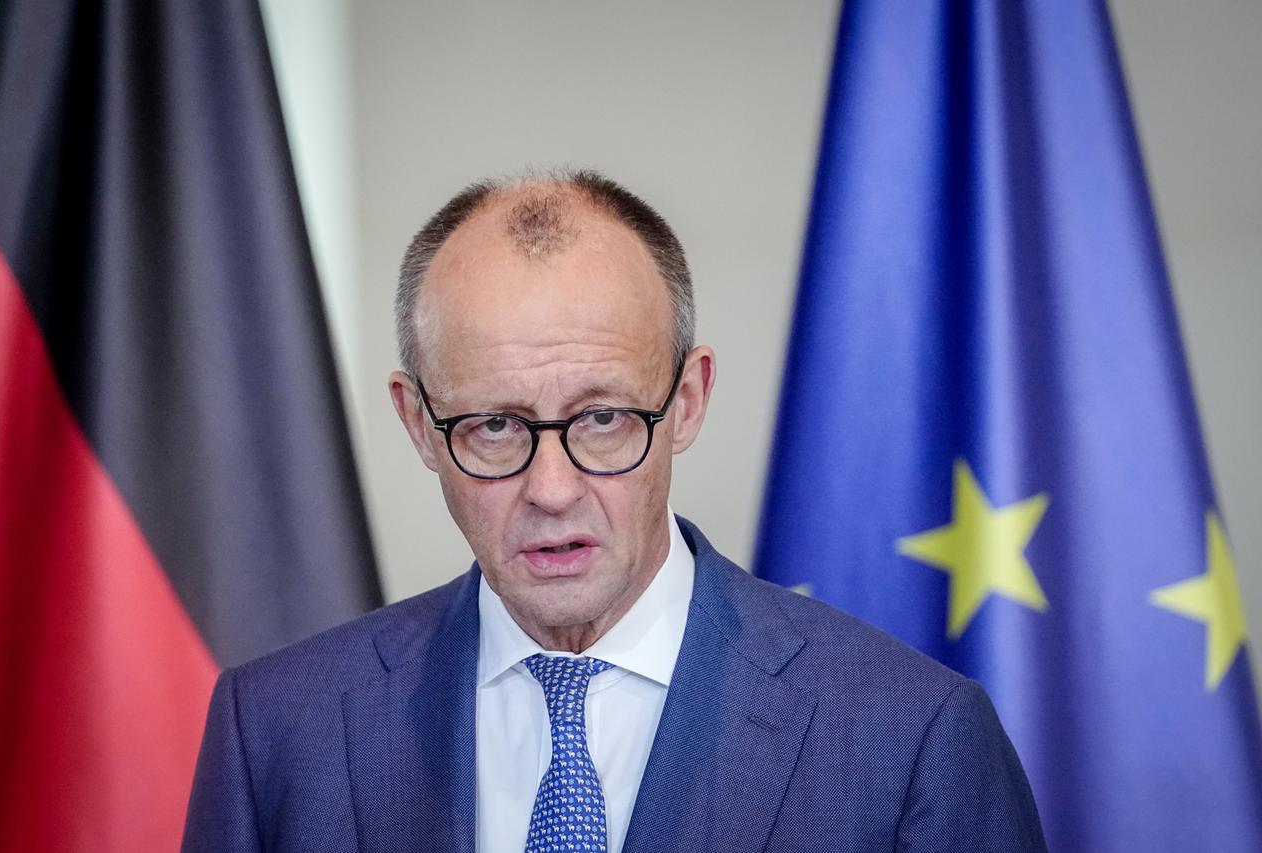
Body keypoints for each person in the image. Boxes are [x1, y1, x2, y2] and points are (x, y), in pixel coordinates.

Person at [182, 170, 1046, 852]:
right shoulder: (276, 733)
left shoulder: (912, 740)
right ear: (418, 421)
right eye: (493, 425)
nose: (552, 489)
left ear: (689, 399)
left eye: (602, 419)